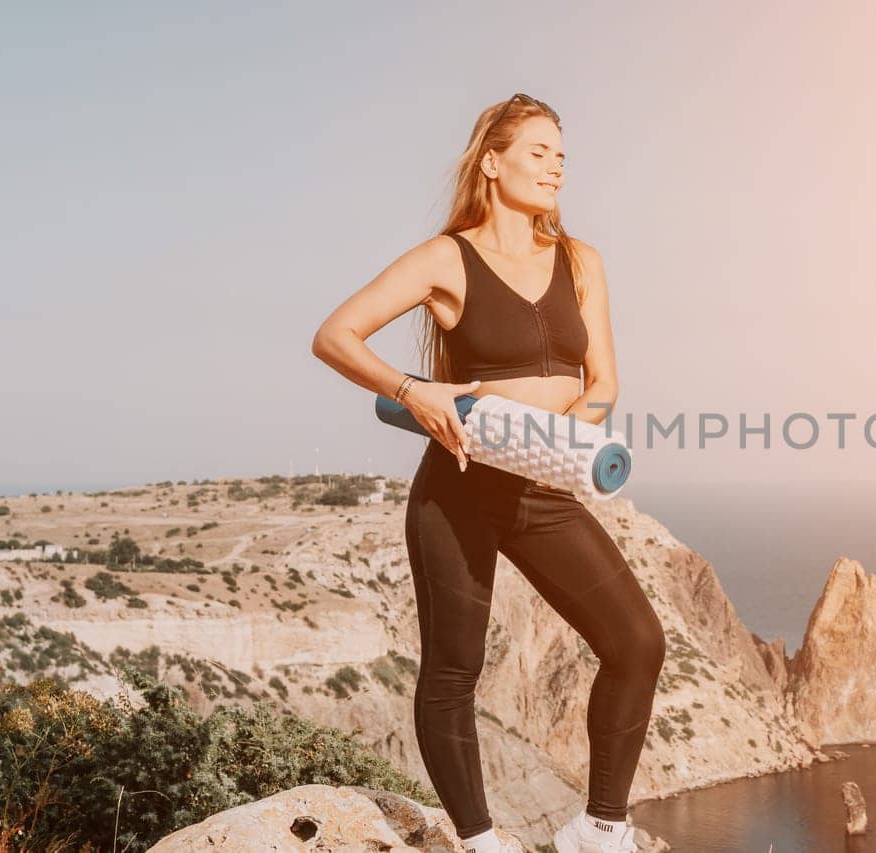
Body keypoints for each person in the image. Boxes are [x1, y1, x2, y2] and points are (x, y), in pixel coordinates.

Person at [311, 93, 663, 853]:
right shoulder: (448, 257)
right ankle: (479, 841)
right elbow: (334, 334)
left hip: (542, 485)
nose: (557, 164)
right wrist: (413, 390)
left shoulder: (581, 261)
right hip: (459, 485)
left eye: (562, 154)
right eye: (539, 150)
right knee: (453, 669)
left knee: (637, 640)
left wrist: (573, 437)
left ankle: (600, 828)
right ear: (493, 162)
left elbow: (604, 379)